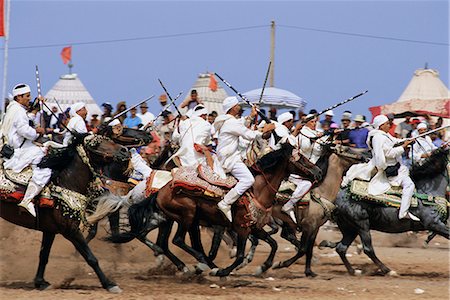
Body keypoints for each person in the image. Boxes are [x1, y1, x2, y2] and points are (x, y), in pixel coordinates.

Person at [343, 115, 418, 221]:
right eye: (387, 124)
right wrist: (403, 147)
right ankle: (403, 213)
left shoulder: (383, 135)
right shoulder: (379, 137)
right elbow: (388, 153)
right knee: (409, 185)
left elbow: (395, 141)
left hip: (396, 166)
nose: (389, 125)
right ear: (381, 125)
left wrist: (408, 140)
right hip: (388, 168)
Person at [214, 96, 274, 222]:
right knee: (248, 180)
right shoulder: (231, 122)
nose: (239, 107)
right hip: (230, 159)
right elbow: (248, 135)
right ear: (233, 108)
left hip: (229, 157)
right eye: (237, 105)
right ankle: (225, 202)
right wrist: (264, 131)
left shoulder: (230, 121)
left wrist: (252, 116)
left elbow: (242, 125)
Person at [1, 84, 52, 217]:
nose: (29, 98)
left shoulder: (13, 108)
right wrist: (37, 132)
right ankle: (28, 199)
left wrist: (34, 110)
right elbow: (24, 130)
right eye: (27, 96)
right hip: (18, 150)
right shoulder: (18, 111)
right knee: (45, 162)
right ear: (19, 97)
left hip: (13, 147)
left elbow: (24, 120)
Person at [271, 112, 310, 222]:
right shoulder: (280, 130)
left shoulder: (284, 130)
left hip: (284, 165)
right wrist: (296, 130)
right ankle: (289, 204)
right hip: (279, 166)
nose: (293, 124)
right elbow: (287, 144)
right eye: (291, 121)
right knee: (307, 183)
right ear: (285, 122)